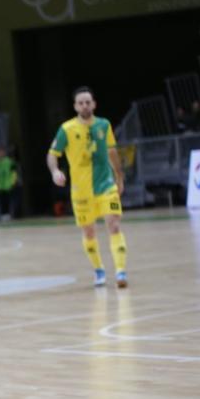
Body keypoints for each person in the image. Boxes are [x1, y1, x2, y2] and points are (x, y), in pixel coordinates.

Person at [46, 86, 128, 287]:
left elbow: (112, 152)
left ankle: (120, 272)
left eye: (88, 102)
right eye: (80, 102)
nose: (84, 105)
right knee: (89, 232)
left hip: (105, 185)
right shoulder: (66, 129)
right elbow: (52, 155)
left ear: (94, 104)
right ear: (75, 106)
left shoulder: (104, 125)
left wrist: (119, 175)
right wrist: (55, 171)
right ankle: (99, 271)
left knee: (114, 224)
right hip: (81, 190)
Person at [0, 146, 18, 220]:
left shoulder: (9, 162)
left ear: (4, 152)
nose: (0, 153)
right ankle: (3, 215)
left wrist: (13, 182)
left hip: (8, 185)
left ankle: (9, 215)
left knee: (8, 201)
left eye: (2, 151)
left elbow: (14, 173)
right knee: (1, 201)